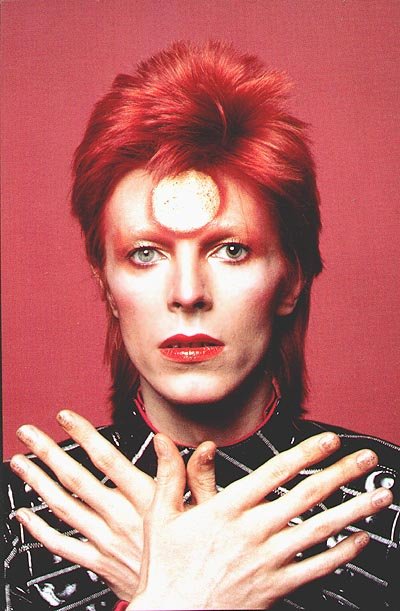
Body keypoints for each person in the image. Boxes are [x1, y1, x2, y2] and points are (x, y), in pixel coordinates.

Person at [3, 41, 399, 611]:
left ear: (291, 278)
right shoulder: (16, 517)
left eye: (231, 249)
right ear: (106, 284)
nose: (188, 293)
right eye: (145, 253)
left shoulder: (388, 506)